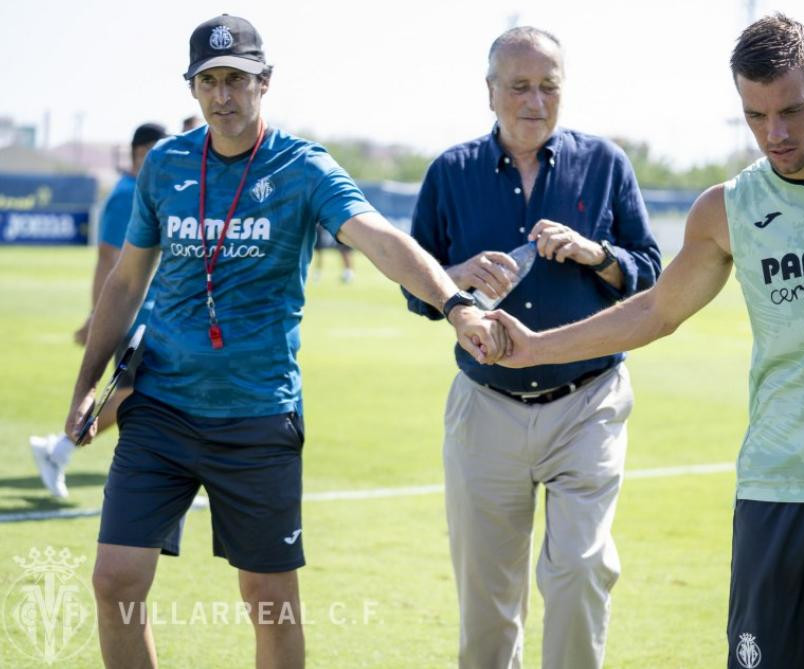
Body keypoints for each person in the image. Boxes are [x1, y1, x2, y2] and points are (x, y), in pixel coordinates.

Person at [490, 14, 804, 669]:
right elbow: (655, 309)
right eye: (756, 116)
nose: (777, 133)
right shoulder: (729, 208)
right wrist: (533, 347)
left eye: (791, 110)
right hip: (776, 491)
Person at [65, 15, 504, 669]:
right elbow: (127, 282)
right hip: (160, 406)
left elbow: (380, 238)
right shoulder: (165, 166)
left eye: (237, 80)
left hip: (257, 414)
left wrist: (456, 304)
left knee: (268, 598)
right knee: (114, 581)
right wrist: (85, 387)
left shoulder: (302, 168)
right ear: (192, 89)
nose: (223, 96)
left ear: (264, 82)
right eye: (209, 81)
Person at [404, 26, 661, 669]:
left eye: (549, 86)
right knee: (489, 603)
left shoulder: (605, 164)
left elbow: (650, 272)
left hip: (588, 401)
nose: (535, 101)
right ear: (490, 92)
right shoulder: (449, 172)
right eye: (519, 86)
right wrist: (458, 276)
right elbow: (418, 286)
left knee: (579, 571)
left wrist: (594, 252)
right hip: (485, 403)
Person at [29, 122, 167, 498]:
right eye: (153, 154)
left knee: (144, 394)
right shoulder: (127, 195)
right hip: (134, 316)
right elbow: (108, 259)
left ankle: (59, 449)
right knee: (134, 393)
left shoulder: (148, 190)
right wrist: (97, 316)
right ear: (138, 154)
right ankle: (59, 448)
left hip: (153, 315)